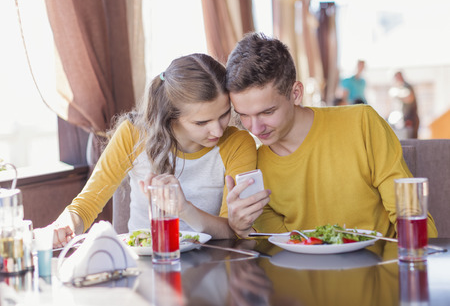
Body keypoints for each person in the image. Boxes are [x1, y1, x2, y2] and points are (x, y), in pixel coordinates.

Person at [225, 32, 437, 239]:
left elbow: (410, 215)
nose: (255, 128)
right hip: (304, 272)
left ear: (296, 94)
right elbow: (277, 250)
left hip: (380, 267)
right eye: (244, 115)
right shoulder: (255, 167)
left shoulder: (362, 123)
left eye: (267, 112)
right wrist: (242, 230)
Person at [47, 53, 269, 248]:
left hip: (211, 263)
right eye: (202, 123)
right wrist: (65, 224)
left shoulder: (238, 143)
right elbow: (87, 204)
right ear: (171, 117)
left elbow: (232, 231)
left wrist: (184, 209)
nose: (218, 130)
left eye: (224, 115)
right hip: (143, 264)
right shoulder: (133, 134)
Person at [389, 71, 420, 138]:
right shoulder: (400, 87)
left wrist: (397, 95)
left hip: (411, 117)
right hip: (405, 117)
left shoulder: (406, 86)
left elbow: (409, 98)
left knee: (411, 140)